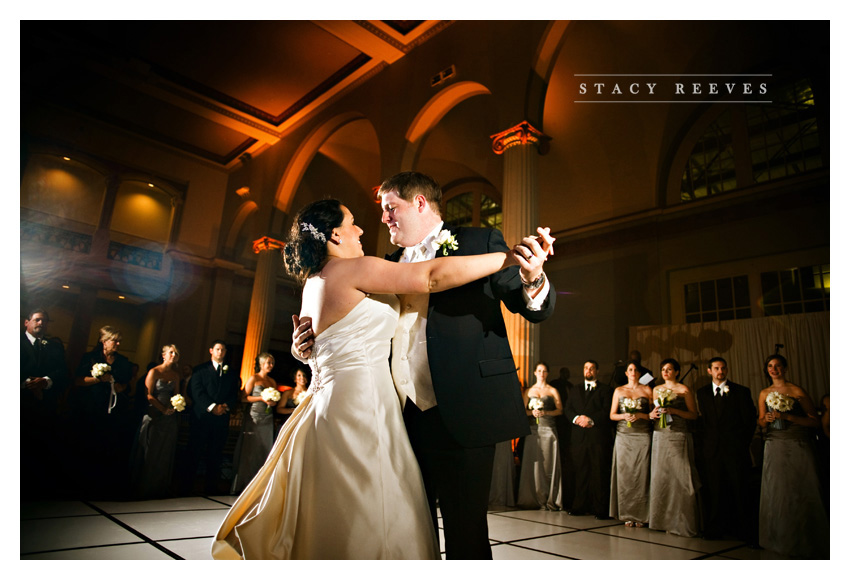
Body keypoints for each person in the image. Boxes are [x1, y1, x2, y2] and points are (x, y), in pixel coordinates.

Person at [212, 198, 553, 559]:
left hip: (337, 406)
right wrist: (511, 257)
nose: (362, 229)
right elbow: (429, 276)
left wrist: (300, 349)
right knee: (376, 508)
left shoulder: (314, 281)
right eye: (353, 223)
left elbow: (317, 343)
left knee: (348, 507)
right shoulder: (357, 269)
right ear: (334, 236)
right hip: (366, 408)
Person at [757, 354, 828, 558]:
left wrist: (787, 416)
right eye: (770, 366)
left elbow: (815, 421)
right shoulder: (764, 393)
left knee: (802, 489)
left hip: (797, 444)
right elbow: (760, 422)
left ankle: (808, 538)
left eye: (778, 366)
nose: (774, 369)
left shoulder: (796, 391)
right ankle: (778, 537)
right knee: (778, 491)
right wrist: (767, 419)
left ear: (785, 369)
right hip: (774, 444)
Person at [695, 357, 757, 544]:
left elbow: (749, 420)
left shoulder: (741, 391)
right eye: (716, 368)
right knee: (714, 490)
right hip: (712, 451)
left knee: (740, 489)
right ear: (709, 371)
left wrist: (741, 444)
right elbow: (705, 422)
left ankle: (744, 531)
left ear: (727, 370)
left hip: (735, 450)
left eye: (722, 368)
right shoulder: (702, 393)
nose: (720, 371)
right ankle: (715, 528)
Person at [72, 325, 134, 498]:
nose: (118, 344)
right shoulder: (90, 358)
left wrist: (123, 387)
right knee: (88, 446)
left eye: (119, 341)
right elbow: (78, 380)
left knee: (110, 447)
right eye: (115, 340)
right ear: (104, 341)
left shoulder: (123, 361)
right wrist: (97, 379)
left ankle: (105, 487)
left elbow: (128, 383)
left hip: (114, 412)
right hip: (92, 409)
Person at [647, 358, 701, 537]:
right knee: (662, 477)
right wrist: (653, 414)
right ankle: (662, 520)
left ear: (677, 372)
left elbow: (694, 415)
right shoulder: (656, 390)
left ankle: (684, 522)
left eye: (669, 369)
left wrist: (675, 411)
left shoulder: (684, 389)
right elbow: (654, 411)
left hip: (678, 435)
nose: (665, 372)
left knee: (681, 478)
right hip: (660, 434)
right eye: (663, 369)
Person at [20, 308, 69, 498]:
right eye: (38, 320)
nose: (41, 324)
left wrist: (46, 381)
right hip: (20, 404)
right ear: (27, 322)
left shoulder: (54, 347)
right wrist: (27, 384)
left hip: (45, 409)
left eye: (45, 321)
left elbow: (63, 373)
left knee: (39, 450)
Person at [186, 340, 241, 495]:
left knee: (216, 454)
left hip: (221, 419)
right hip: (201, 418)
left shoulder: (231, 372)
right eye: (217, 349)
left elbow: (233, 393)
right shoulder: (200, 370)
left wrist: (224, 406)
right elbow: (196, 392)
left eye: (223, 350)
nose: (220, 352)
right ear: (211, 350)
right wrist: (212, 407)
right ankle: (186, 486)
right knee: (194, 452)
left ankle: (211, 488)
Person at [130, 344, 182, 498]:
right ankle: (143, 487)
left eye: (176, 353)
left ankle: (159, 487)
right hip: (154, 413)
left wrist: (175, 405)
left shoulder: (175, 375)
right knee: (150, 450)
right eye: (171, 352)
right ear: (163, 355)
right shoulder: (154, 371)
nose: (174, 355)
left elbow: (177, 394)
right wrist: (162, 409)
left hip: (169, 417)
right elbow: (148, 395)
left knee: (165, 451)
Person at [564, 360, 614, 519]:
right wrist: (577, 418)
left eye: (592, 368)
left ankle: (600, 509)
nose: (588, 370)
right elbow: (568, 409)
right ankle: (579, 506)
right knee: (580, 471)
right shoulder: (575, 389)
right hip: (579, 437)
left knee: (598, 472)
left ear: (597, 371)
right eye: (586, 368)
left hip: (597, 437)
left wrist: (591, 420)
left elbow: (607, 411)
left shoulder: (606, 390)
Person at [608, 360, 652, 527]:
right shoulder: (619, 391)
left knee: (641, 474)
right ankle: (626, 512)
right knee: (625, 474)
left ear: (639, 373)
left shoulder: (647, 390)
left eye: (636, 370)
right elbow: (612, 415)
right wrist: (624, 416)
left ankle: (641, 514)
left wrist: (641, 416)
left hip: (642, 435)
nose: (633, 372)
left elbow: (653, 415)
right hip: (624, 436)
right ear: (626, 373)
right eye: (630, 369)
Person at [517, 362, 563, 511]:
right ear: (535, 373)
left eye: (544, 371)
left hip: (548, 431)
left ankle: (550, 497)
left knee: (548, 465)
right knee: (533, 464)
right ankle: (533, 497)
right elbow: (523, 411)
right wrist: (532, 413)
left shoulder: (553, 390)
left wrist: (546, 413)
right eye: (539, 371)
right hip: (533, 431)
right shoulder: (529, 391)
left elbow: (560, 410)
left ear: (547, 373)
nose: (541, 373)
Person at [230, 353, 279, 494]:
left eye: (272, 363)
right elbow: (244, 398)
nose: (271, 365)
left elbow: (275, 402)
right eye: (269, 362)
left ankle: (260, 488)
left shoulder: (272, 382)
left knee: (264, 449)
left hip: (267, 418)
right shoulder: (253, 378)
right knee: (250, 450)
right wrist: (261, 398)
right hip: (254, 418)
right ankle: (245, 485)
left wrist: (272, 402)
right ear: (261, 363)